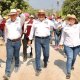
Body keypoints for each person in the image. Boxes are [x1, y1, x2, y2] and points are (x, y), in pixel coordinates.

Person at [28, 9, 55, 76]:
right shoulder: (35, 22)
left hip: (46, 39)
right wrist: (30, 39)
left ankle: (45, 61)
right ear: (38, 15)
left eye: (42, 14)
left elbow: (55, 26)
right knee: (37, 55)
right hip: (37, 39)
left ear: (44, 15)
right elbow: (32, 31)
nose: (41, 15)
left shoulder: (48, 22)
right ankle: (38, 69)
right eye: (39, 14)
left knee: (46, 54)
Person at [59, 14, 80, 79]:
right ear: (68, 20)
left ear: (75, 20)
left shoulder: (78, 26)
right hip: (68, 45)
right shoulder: (65, 28)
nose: (72, 20)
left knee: (74, 58)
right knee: (70, 58)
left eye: (73, 19)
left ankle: (72, 65)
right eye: (70, 19)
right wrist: (61, 43)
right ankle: (68, 72)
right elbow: (63, 36)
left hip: (77, 45)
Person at [3, 9, 22, 80]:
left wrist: (19, 12)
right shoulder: (7, 22)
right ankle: (7, 73)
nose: (13, 16)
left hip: (17, 41)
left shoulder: (19, 20)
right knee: (9, 57)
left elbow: (23, 16)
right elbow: (5, 32)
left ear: (16, 15)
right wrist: (5, 41)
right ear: (10, 15)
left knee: (16, 55)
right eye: (11, 15)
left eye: (14, 14)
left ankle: (17, 65)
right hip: (9, 42)